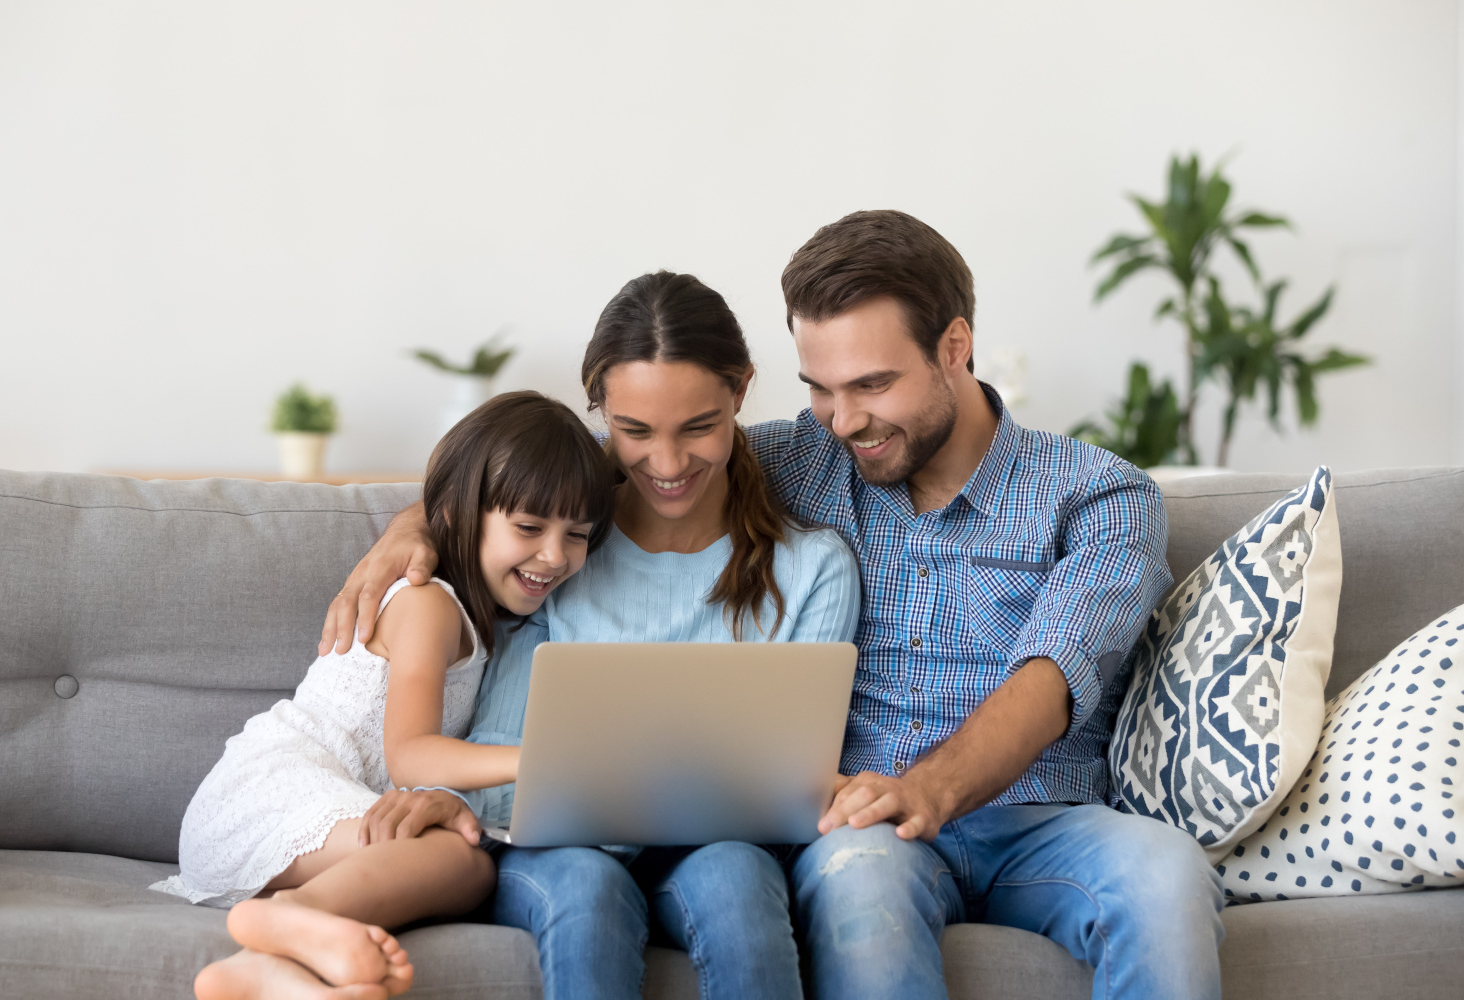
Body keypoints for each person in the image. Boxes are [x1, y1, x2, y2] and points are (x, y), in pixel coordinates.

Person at [324, 211, 1224, 1000]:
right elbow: (601, 465)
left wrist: (924, 791)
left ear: (956, 347)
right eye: (819, 389)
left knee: (1165, 876)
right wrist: (419, 526)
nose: (843, 420)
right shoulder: (807, 457)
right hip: (859, 830)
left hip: (1038, 821)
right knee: (864, 889)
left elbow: (1054, 675)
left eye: (871, 385)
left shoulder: (1099, 496)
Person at [336, 270, 861, 1000]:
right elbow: (474, 492)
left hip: (713, 845)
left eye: (700, 428)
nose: (670, 466)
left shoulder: (812, 569)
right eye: (635, 430)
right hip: (551, 846)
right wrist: (410, 524)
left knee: (740, 882)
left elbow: (788, 777)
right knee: (586, 888)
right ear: (599, 407)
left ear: (741, 392)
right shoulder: (564, 547)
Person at [155, 391, 616, 1000]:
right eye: (530, 528)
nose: (555, 555)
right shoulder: (429, 605)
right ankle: (296, 914)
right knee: (462, 857)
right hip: (267, 795)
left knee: (463, 858)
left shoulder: (485, 618)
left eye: (577, 535)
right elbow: (412, 757)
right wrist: (549, 760)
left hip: (318, 821)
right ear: (455, 515)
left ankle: (262, 968)